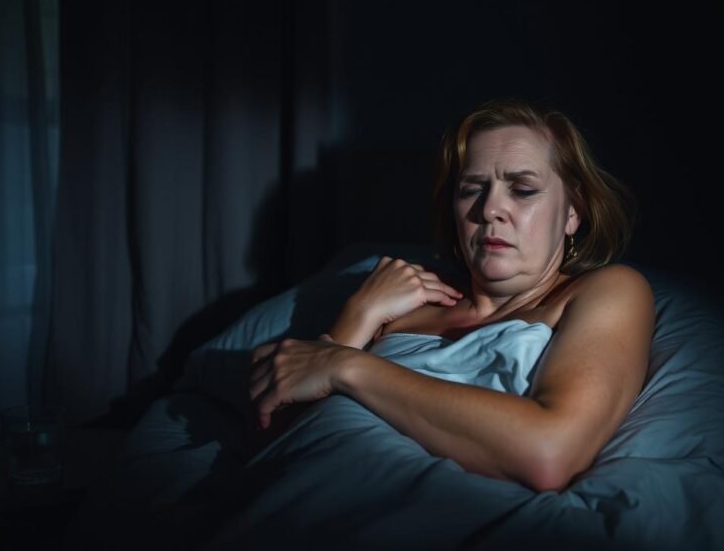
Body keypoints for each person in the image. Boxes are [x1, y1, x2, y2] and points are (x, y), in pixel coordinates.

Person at [246, 99, 655, 493]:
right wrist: (359, 312)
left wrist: (346, 367)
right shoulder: (403, 301)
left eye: (522, 190)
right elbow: (272, 440)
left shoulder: (608, 290)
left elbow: (550, 453)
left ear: (573, 212)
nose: (489, 209)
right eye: (472, 189)